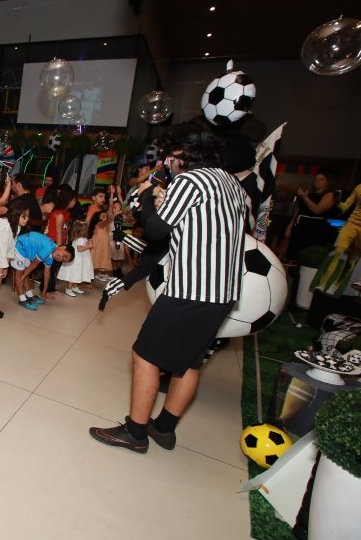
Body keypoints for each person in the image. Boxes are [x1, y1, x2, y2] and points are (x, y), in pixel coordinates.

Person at [89, 124, 247, 454]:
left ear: (181, 156)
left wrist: (149, 197)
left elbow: (156, 230)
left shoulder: (190, 180)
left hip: (191, 289)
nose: (165, 163)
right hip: (222, 292)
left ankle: (134, 433)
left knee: (144, 354)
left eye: (167, 157)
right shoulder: (229, 181)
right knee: (187, 362)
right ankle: (164, 428)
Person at [284, 170, 338, 263]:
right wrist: (290, 226)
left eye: (321, 179)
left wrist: (305, 197)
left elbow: (317, 210)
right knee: (294, 254)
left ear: (327, 182)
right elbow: (299, 211)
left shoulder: (330, 195)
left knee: (306, 255)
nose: (317, 181)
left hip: (314, 230)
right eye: (316, 179)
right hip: (300, 227)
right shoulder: (310, 194)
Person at [11, 231, 72, 310]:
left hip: (27, 250)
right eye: (64, 255)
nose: (60, 258)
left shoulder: (50, 257)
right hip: (20, 246)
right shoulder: (49, 247)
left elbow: (47, 273)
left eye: (63, 259)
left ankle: (29, 296)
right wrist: (23, 276)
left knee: (26, 272)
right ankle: (22, 299)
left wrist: (44, 291)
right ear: (63, 247)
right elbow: (35, 263)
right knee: (19, 275)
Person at [58, 220, 94, 296]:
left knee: (78, 274)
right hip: (78, 260)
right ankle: (68, 289)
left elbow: (82, 246)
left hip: (81, 259)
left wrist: (87, 242)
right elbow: (79, 249)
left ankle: (75, 287)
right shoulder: (80, 239)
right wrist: (89, 246)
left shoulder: (81, 238)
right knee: (74, 274)